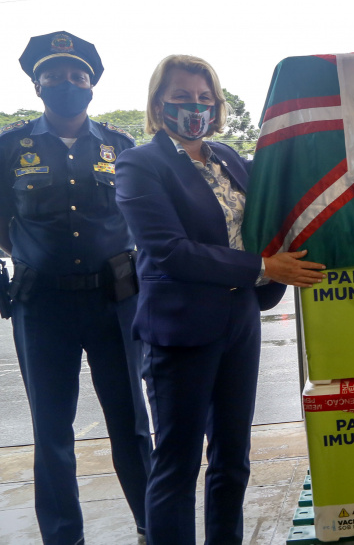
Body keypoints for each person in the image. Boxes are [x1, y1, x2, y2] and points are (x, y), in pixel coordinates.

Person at [114, 54, 326, 545]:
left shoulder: (227, 157)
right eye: (183, 97)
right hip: (182, 328)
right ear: (158, 102)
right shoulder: (139, 164)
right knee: (177, 463)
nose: (195, 107)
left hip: (240, 322)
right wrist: (263, 268)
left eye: (204, 98)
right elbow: (168, 251)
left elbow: (270, 205)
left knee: (233, 457)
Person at [0, 31, 152, 545]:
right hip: (41, 306)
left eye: (77, 76)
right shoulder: (8, 148)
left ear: (92, 85)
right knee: (51, 430)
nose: (67, 83)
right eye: (55, 75)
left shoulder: (122, 146)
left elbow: (142, 222)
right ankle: (64, 537)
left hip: (116, 302)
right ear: (37, 84)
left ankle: (152, 525)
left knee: (132, 422)